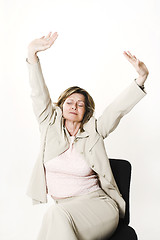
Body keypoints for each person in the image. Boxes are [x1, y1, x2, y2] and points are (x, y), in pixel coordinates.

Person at [26, 31, 149, 240]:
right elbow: (39, 93)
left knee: (55, 216)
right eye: (70, 102)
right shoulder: (48, 125)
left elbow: (116, 110)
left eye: (80, 104)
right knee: (55, 216)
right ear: (61, 106)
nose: (74, 106)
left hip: (99, 206)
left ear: (86, 112)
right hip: (66, 211)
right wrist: (32, 54)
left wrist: (141, 78)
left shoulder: (94, 130)